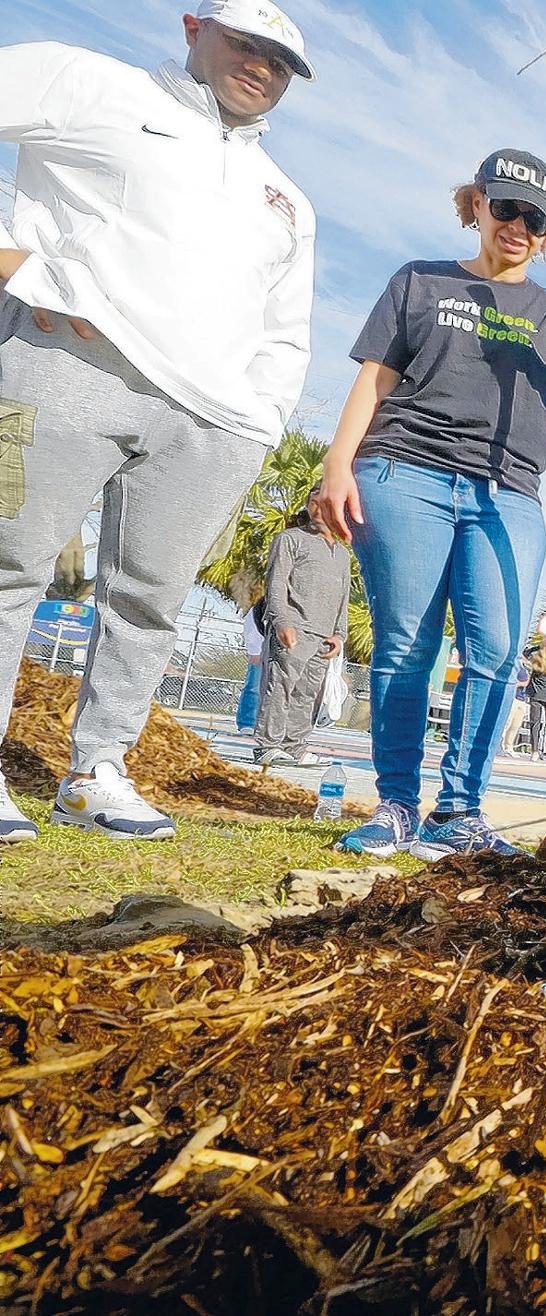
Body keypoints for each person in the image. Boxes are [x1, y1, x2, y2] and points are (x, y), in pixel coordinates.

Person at [315, 150, 546, 859]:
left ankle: (458, 812)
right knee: (407, 643)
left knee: (494, 651)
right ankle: (397, 806)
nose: (519, 226)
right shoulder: (419, 281)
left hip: (507, 489)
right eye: (507, 208)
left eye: (536, 219)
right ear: (477, 205)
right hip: (406, 471)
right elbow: (375, 379)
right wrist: (338, 462)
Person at [0, 3, 317, 841]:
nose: (262, 67)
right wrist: (10, 256)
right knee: (8, 565)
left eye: (282, 62)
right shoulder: (92, 83)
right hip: (68, 364)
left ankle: (96, 772)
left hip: (211, 423)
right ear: (192, 28)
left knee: (148, 602)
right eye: (246, 43)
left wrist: (260, 424)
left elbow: (286, 328)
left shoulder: (287, 199)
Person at [253, 491, 350, 767]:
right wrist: (282, 621)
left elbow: (344, 597)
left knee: (308, 694)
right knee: (278, 688)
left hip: (324, 638)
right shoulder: (290, 539)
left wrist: (340, 634)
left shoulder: (342, 555)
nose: (317, 510)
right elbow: (275, 583)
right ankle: (268, 747)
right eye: (313, 504)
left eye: (324, 505)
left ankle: (294, 747)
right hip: (293, 631)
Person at [236, 606, 266, 733]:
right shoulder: (262, 603)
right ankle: (248, 722)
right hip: (261, 648)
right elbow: (252, 622)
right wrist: (254, 650)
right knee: (254, 685)